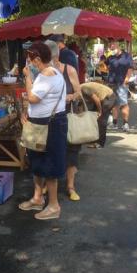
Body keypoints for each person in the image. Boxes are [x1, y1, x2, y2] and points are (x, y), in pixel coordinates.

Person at [18, 42, 67, 220]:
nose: (28, 63)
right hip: (40, 122)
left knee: (50, 164)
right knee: (37, 161)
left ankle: (54, 206)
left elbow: (33, 98)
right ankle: (38, 198)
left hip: (51, 124)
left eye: (29, 60)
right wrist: (27, 113)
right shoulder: (47, 73)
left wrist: (27, 77)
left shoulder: (48, 75)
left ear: (37, 59)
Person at [46, 40, 82, 201]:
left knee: (71, 151)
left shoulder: (69, 70)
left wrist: (70, 96)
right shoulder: (44, 73)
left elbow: (79, 93)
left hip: (68, 116)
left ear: (56, 55)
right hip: (49, 118)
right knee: (51, 151)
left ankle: (70, 186)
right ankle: (49, 185)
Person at [106, 42, 133, 131]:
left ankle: (125, 123)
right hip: (111, 83)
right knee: (114, 104)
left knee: (123, 103)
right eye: (110, 46)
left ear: (118, 45)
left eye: (112, 45)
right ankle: (114, 123)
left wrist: (126, 79)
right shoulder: (110, 57)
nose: (111, 47)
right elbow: (104, 66)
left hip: (122, 83)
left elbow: (130, 68)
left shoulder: (126, 56)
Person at [80, 81, 116, 148]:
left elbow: (96, 99)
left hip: (108, 97)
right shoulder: (80, 90)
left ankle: (100, 143)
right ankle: (93, 139)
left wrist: (100, 111)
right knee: (93, 118)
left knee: (101, 120)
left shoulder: (84, 88)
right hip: (102, 98)